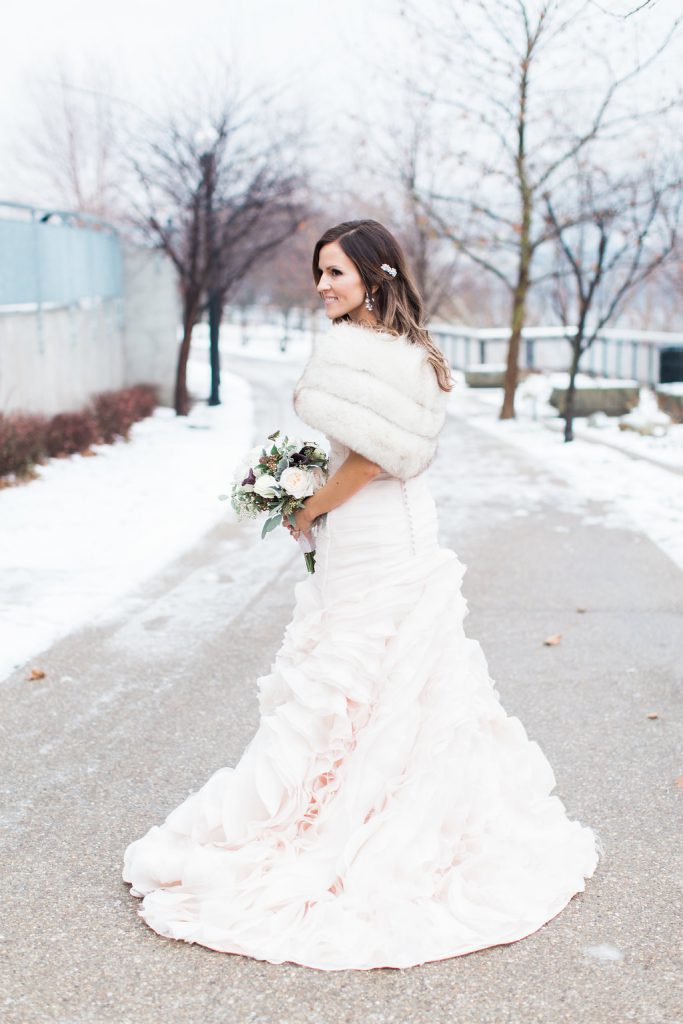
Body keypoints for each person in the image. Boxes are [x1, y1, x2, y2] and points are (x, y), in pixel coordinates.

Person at [122, 218, 603, 971]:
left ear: (374, 276)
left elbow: (376, 460)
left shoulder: (357, 350)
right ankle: (355, 802)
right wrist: (294, 483)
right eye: (319, 272)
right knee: (371, 679)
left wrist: (307, 507)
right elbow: (360, 449)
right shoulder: (412, 352)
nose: (321, 286)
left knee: (373, 672)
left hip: (377, 529)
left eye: (335, 273)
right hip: (380, 532)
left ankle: (366, 825)